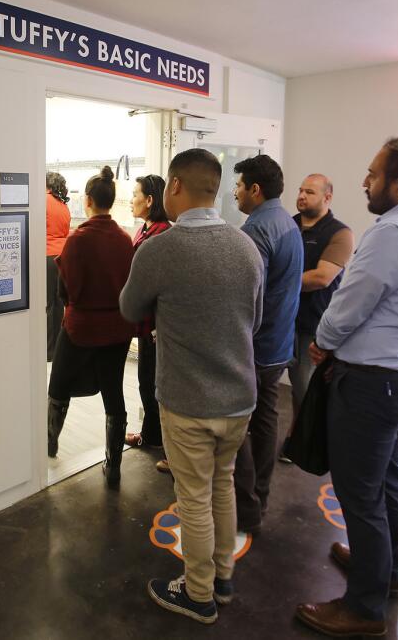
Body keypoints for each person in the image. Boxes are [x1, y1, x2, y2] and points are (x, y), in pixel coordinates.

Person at [295, 137, 398, 637]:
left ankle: (364, 609)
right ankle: (385, 573)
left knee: (359, 494)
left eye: (372, 174)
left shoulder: (394, 233)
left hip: (371, 383)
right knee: (386, 478)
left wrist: (323, 341)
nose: (365, 182)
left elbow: (350, 302)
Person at [120, 148, 263, 625]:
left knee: (194, 498)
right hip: (240, 398)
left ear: (175, 187)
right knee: (221, 486)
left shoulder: (159, 249)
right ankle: (221, 578)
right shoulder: (247, 247)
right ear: (216, 189)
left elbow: (128, 307)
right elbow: (254, 322)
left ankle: (198, 594)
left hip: (189, 402)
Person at [46, 166, 135, 487]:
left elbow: (64, 290)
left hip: (81, 327)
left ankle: (50, 443)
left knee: (58, 385)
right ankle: (113, 465)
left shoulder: (78, 240)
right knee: (114, 394)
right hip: (117, 328)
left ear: (87, 201)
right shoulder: (126, 240)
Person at [228, 154, 302, 535]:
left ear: (254, 190)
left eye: (238, 185)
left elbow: (245, 295)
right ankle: (261, 493)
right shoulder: (286, 222)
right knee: (266, 417)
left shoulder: (256, 232)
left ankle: (246, 508)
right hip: (277, 343)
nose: (234, 192)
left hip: (255, 346)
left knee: (237, 425)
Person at [280, 173, 353, 464]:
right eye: (300, 190)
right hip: (283, 322)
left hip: (313, 326)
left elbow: (322, 277)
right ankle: (291, 438)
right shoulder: (288, 225)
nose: (301, 196)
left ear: (327, 197)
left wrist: (277, 282)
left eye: (309, 192)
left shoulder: (339, 233)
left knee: (305, 389)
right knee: (278, 384)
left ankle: (301, 442)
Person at [124, 174, 171, 452]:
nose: (131, 200)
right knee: (145, 382)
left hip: (156, 328)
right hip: (143, 324)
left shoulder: (163, 233)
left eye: (135, 194)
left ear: (150, 200)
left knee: (154, 385)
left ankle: (161, 441)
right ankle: (151, 436)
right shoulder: (145, 230)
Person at [45, 172, 71, 361]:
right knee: (59, 303)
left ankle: (48, 350)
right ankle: (56, 350)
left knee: (47, 304)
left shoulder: (42, 201)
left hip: (45, 255)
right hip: (62, 256)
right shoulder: (63, 206)